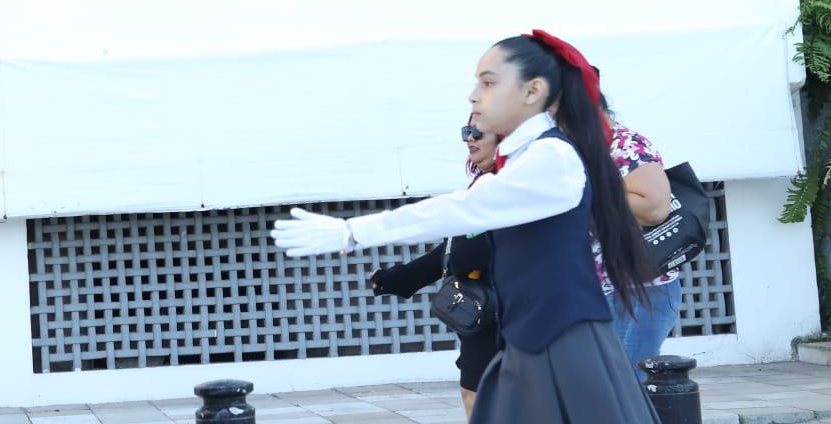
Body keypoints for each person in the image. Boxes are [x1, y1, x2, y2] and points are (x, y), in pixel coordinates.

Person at [273, 31, 659, 424]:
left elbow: (461, 210)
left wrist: (353, 231)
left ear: (532, 92)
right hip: (531, 337)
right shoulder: (526, 156)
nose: (474, 96)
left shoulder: (550, 156)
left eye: (489, 83)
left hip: (562, 341)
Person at [370, 119, 500, 419]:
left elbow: (471, 251)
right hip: (483, 313)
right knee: (477, 395)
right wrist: (397, 279)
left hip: (508, 311)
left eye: (478, 132)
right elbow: (450, 251)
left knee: (483, 397)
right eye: (466, 132)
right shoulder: (484, 183)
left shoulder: (510, 186)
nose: (470, 138)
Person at [596, 99, 680, 382]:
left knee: (629, 380)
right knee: (614, 382)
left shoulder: (627, 145)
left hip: (648, 286)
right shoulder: (589, 150)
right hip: (608, 283)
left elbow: (655, 207)